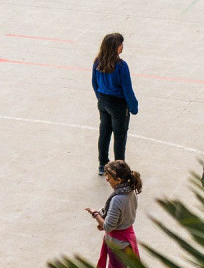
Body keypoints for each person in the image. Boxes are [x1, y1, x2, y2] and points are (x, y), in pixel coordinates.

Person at [92, 33, 138, 175]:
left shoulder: (97, 62)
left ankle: (102, 164)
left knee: (104, 133)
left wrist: (99, 98)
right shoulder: (121, 66)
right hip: (118, 105)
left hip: (103, 101)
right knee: (119, 135)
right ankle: (119, 167)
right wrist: (133, 106)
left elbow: (94, 83)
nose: (122, 47)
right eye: (121, 44)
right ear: (116, 48)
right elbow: (127, 88)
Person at [84, 160, 142, 268]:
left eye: (109, 178)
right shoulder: (131, 191)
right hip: (128, 240)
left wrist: (96, 214)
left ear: (119, 180)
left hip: (118, 245)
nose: (106, 179)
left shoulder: (117, 199)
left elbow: (108, 226)